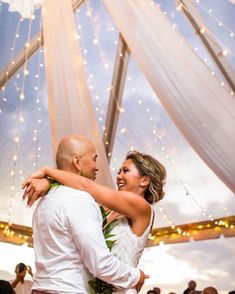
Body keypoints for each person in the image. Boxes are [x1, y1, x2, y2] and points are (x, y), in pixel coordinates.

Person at [23, 135, 166, 293]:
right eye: (119, 171)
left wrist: (47, 173)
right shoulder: (106, 209)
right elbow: (78, 188)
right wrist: (51, 183)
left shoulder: (142, 207)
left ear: (144, 181)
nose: (119, 176)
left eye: (126, 171)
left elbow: (86, 186)